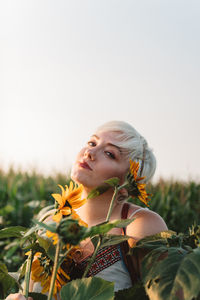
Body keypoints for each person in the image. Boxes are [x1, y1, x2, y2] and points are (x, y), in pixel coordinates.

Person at [6, 120, 168, 300]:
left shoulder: (138, 226)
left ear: (128, 183)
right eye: (92, 143)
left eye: (109, 153)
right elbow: (29, 290)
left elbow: (170, 293)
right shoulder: (50, 221)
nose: (89, 153)